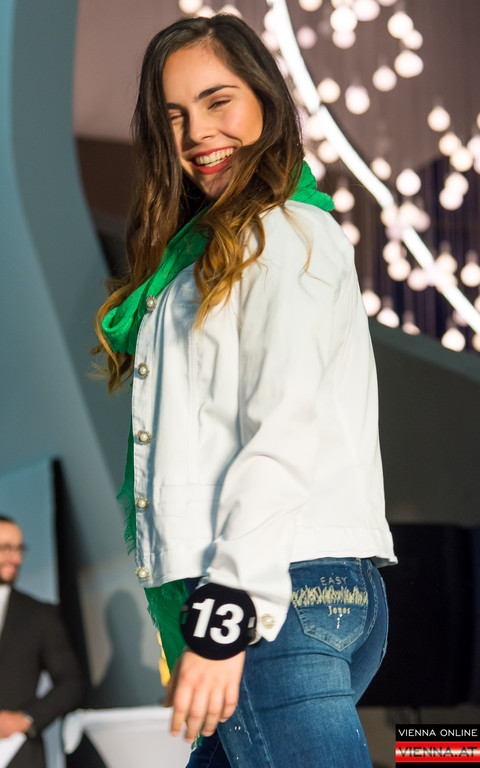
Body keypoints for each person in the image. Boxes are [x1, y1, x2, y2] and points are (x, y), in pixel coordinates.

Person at [94, 14, 396, 767]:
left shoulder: (280, 233)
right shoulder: (214, 252)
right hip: (293, 589)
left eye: (218, 101)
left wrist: (226, 610)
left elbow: (282, 428)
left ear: (265, 99)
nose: (197, 132)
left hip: (274, 592)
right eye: (174, 116)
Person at [0, 515, 83, 768]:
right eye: (6, 548)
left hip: (17, 756)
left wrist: (25, 719)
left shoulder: (39, 615)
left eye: (19, 549)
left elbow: (71, 682)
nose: (16, 558)